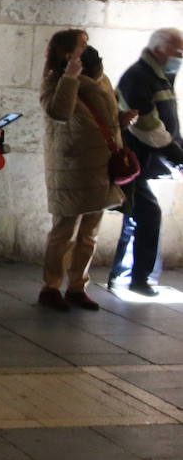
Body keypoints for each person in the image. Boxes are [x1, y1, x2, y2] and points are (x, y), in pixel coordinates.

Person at [37, 30, 130, 311]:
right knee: (64, 230)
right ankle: (51, 286)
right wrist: (70, 77)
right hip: (73, 166)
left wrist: (122, 121)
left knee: (90, 232)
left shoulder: (101, 79)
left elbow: (106, 116)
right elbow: (60, 112)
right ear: (68, 54)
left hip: (100, 166)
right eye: (83, 45)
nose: (89, 49)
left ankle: (78, 286)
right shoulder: (54, 81)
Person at [111, 28, 183, 296]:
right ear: (159, 49)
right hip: (132, 162)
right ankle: (137, 279)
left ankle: (126, 275)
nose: (181, 56)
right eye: (177, 51)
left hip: (141, 163)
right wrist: (177, 156)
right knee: (147, 214)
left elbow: (168, 123)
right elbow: (148, 126)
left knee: (137, 216)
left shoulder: (160, 77)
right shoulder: (140, 77)